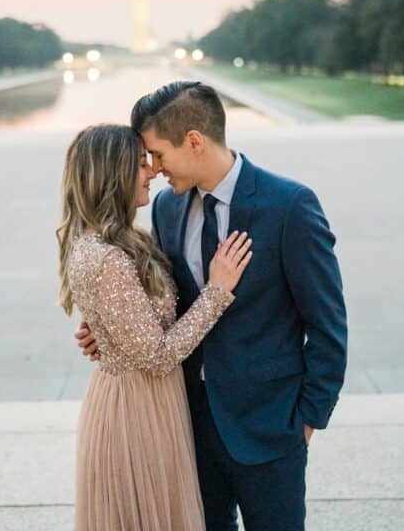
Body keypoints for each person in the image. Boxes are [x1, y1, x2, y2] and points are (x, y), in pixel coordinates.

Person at [76, 81, 348, 530]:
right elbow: (167, 302)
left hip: (269, 428)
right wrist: (109, 324)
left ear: (195, 141)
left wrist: (305, 421)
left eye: (158, 154)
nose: (155, 169)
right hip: (186, 426)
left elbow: (327, 324)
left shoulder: (289, 206)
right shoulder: (166, 208)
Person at [58, 123, 252, 530]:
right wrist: (217, 290)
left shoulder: (123, 239)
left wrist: (108, 331)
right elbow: (157, 354)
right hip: (136, 410)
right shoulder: (108, 257)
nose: (151, 172)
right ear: (113, 174)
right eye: (140, 164)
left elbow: (135, 323)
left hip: (147, 400)